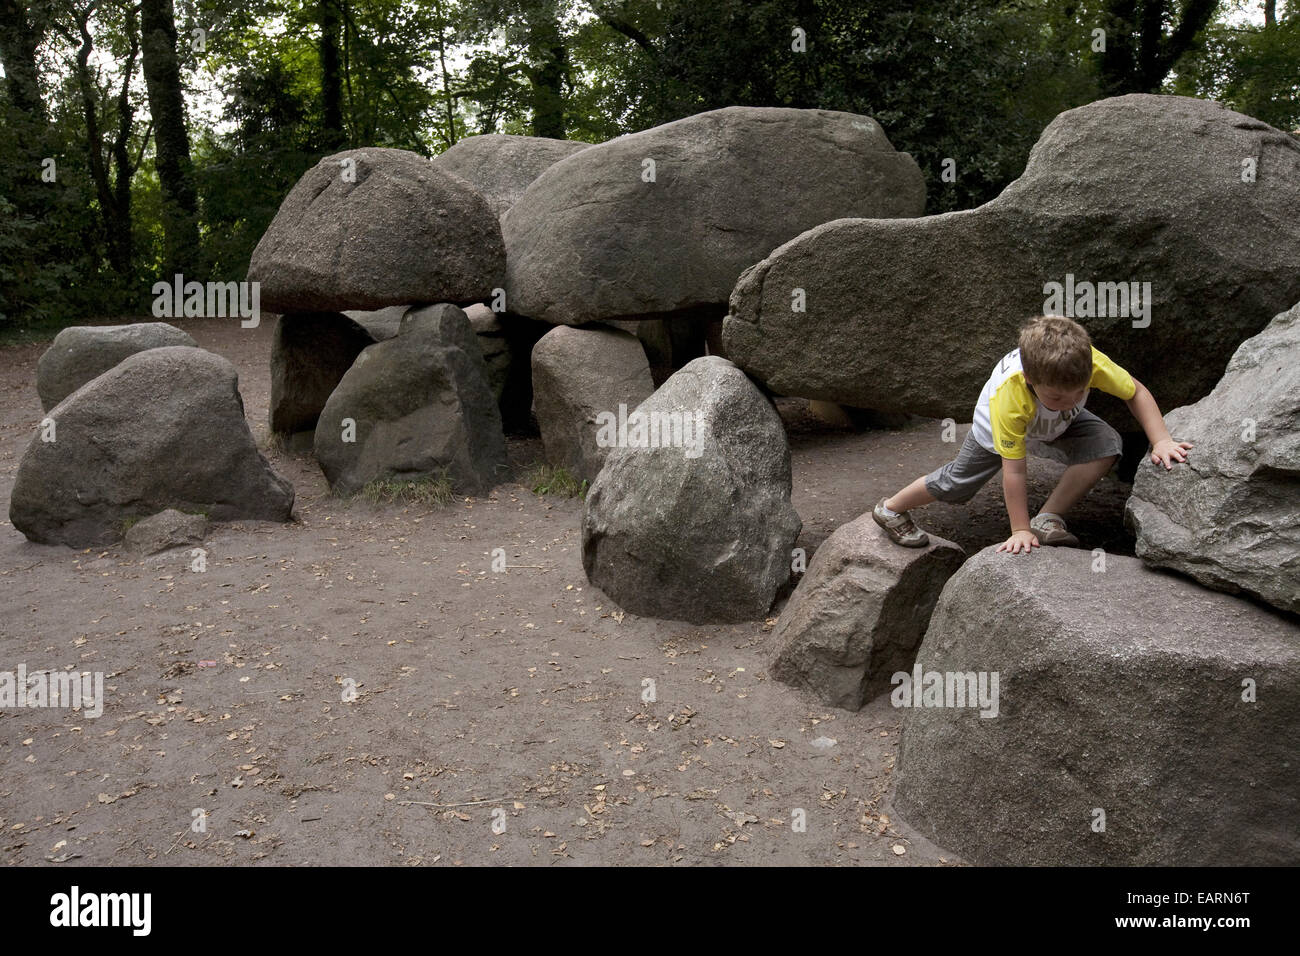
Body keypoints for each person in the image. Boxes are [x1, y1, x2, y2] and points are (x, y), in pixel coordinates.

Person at [873, 315, 1192, 554]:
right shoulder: (1009, 400)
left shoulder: (1087, 363)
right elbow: (1014, 471)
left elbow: (1134, 391)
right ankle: (891, 508)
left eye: (1079, 392)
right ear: (1029, 378)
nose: (1068, 400)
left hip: (1058, 422)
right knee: (959, 483)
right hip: (998, 429)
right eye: (1057, 396)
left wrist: (1160, 439)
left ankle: (1047, 518)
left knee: (1105, 444)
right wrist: (1018, 530)